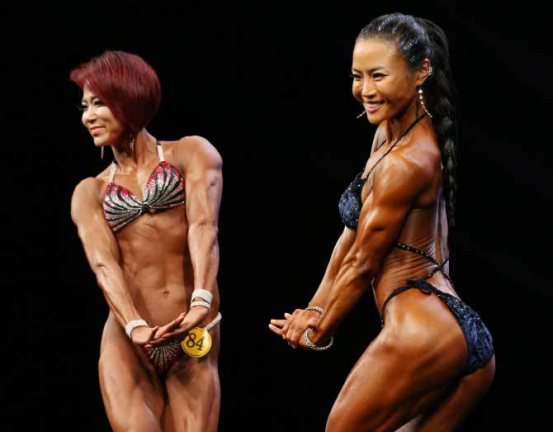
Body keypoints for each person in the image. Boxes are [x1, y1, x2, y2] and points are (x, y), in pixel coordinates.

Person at [269, 13, 495, 431]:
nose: (365, 90)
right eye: (357, 77)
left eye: (378, 75)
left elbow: (363, 263)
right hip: (458, 332)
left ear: (421, 72)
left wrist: (320, 329)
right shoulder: (388, 134)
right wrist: (315, 308)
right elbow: (351, 239)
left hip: (425, 329)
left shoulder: (408, 161)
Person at [70, 50, 223, 432]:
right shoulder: (90, 192)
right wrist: (134, 325)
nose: (88, 116)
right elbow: (103, 265)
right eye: (85, 106)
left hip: (193, 333)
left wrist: (201, 300)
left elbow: (204, 226)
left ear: (130, 98)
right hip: (129, 342)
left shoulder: (191, 153)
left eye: (99, 103)